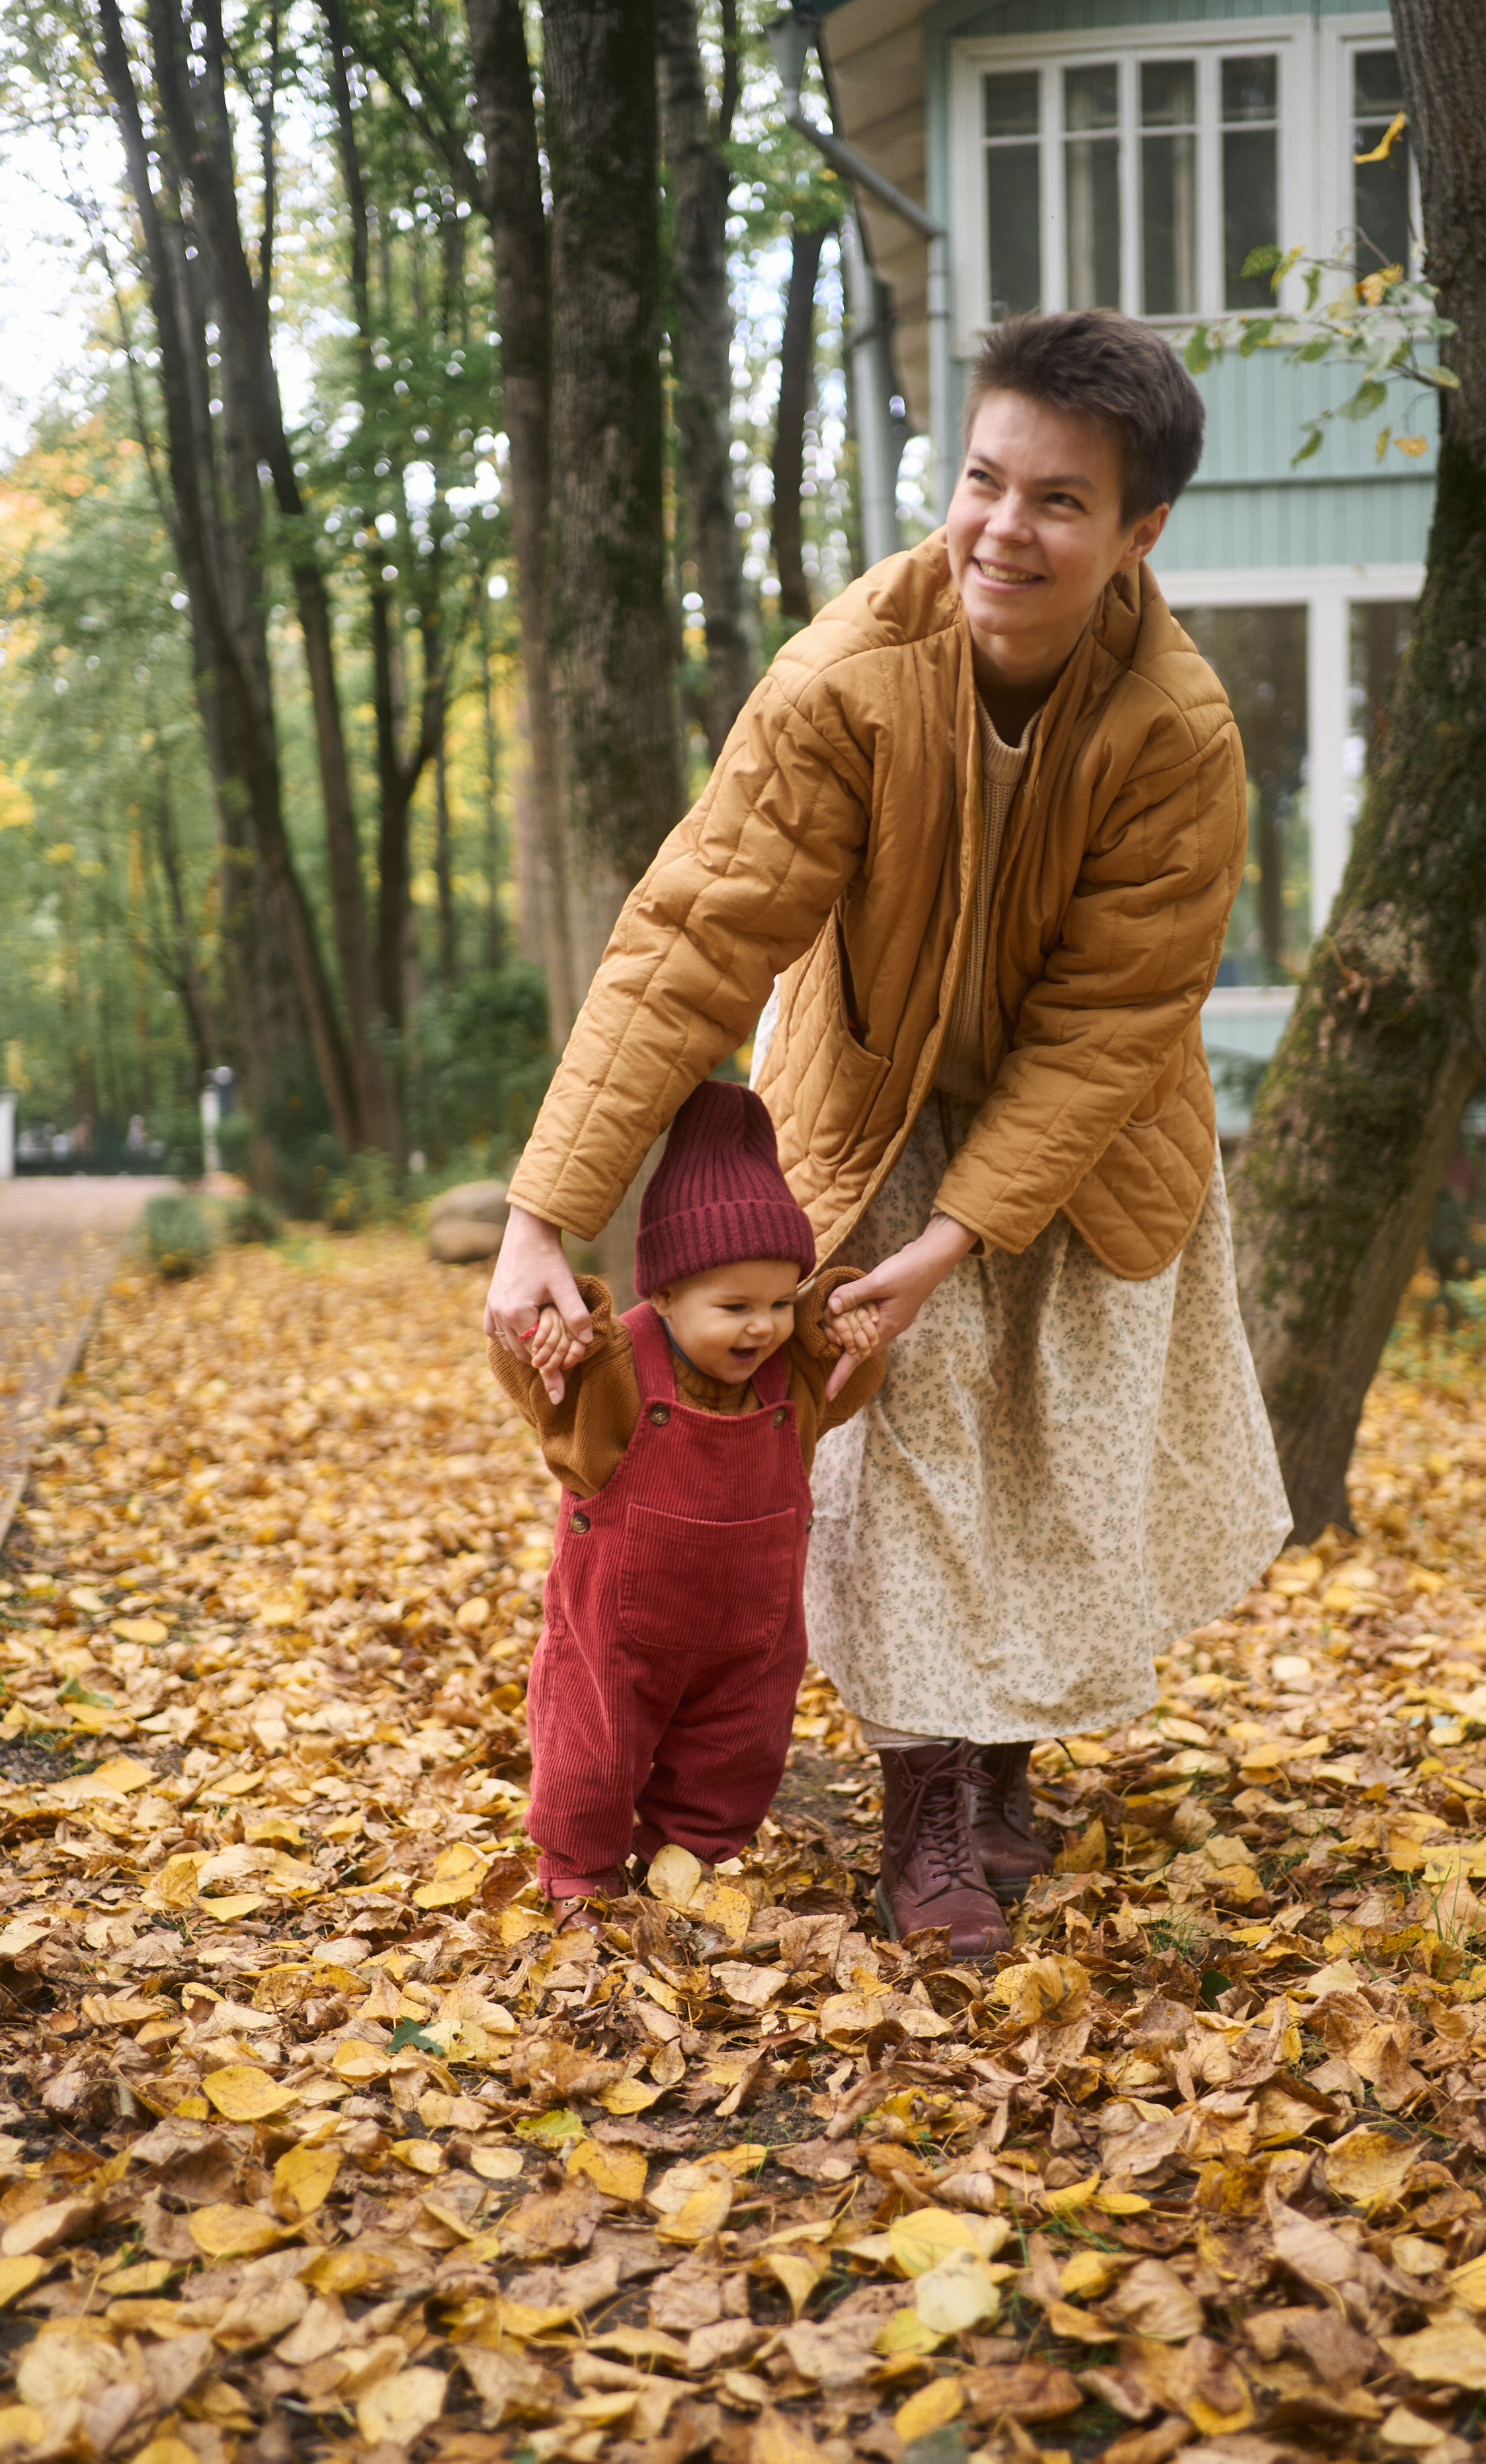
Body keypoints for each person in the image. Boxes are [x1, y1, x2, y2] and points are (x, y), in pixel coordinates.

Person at [488, 307, 1291, 1960]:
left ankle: (996, 1755)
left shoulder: (1178, 733)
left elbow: (1106, 1024)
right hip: (868, 1091)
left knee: (1038, 1455)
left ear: (1138, 531)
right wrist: (538, 1214)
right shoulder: (844, 680)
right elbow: (692, 938)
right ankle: (923, 1796)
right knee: (903, 1435)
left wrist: (957, 1238)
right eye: (982, 480)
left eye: (1059, 501)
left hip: (1093, 1132)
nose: (1003, 528)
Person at [490, 1081, 883, 1918]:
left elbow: (841, 1372)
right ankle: (579, 1868)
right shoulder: (617, 1370)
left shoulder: (790, 1375)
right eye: (734, 1307)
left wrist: (842, 1324)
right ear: (663, 1295)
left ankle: (686, 1860)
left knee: (736, 1752)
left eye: (779, 1303)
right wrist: (550, 1342)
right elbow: (549, 1392)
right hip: (618, 1630)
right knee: (592, 1747)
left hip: (752, 1632)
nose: (761, 1327)